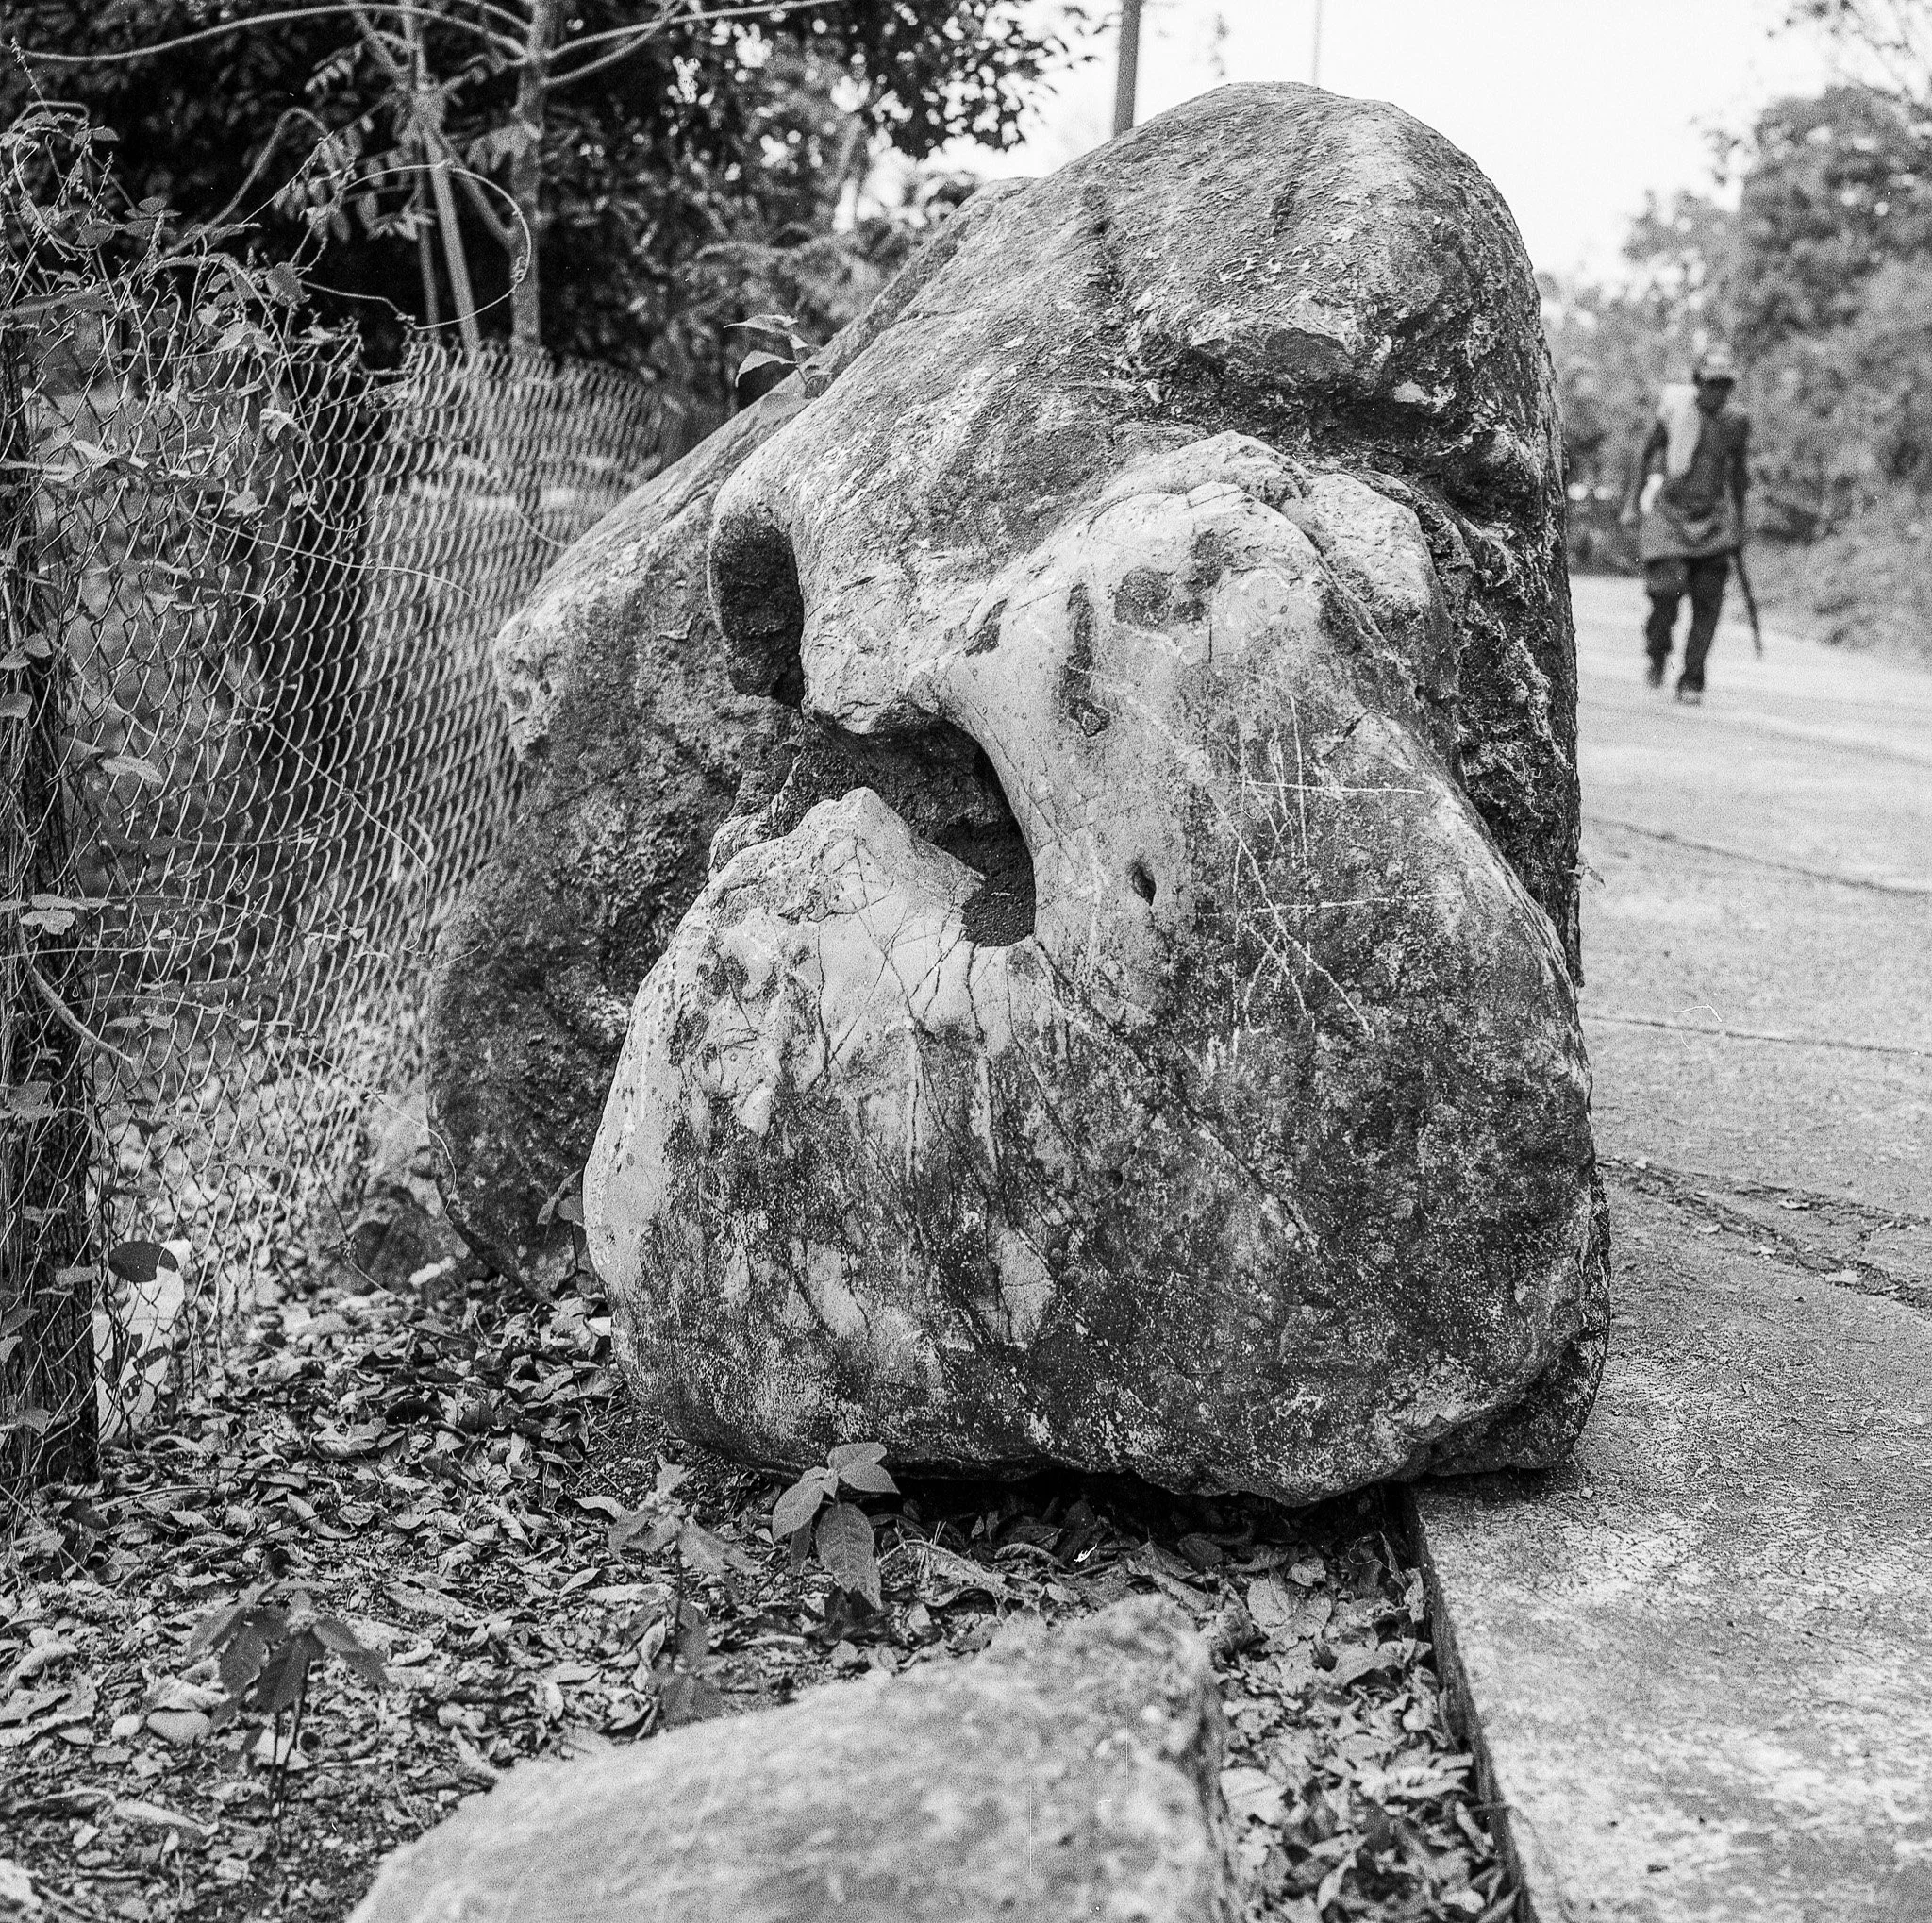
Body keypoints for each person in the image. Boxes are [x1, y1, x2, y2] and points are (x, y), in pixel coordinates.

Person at [1621, 344, 1750, 704]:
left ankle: (1692, 677)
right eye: (1711, 384)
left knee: (1708, 602)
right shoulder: (1675, 414)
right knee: (1664, 595)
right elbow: (1647, 454)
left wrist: (1740, 522)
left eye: (1725, 386)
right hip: (1670, 516)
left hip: (1714, 520)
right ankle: (1657, 652)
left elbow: (1739, 473)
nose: (1718, 392)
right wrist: (1632, 502)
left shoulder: (1736, 422)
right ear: (1698, 383)